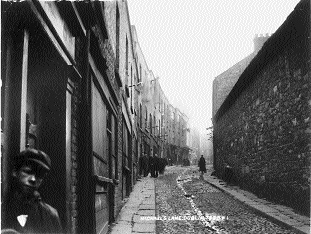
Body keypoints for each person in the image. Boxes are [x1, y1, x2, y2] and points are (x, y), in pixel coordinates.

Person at [2, 149, 63, 234]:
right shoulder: (3, 207)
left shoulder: (50, 214)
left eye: (39, 175)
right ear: (15, 172)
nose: (33, 179)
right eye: (28, 172)